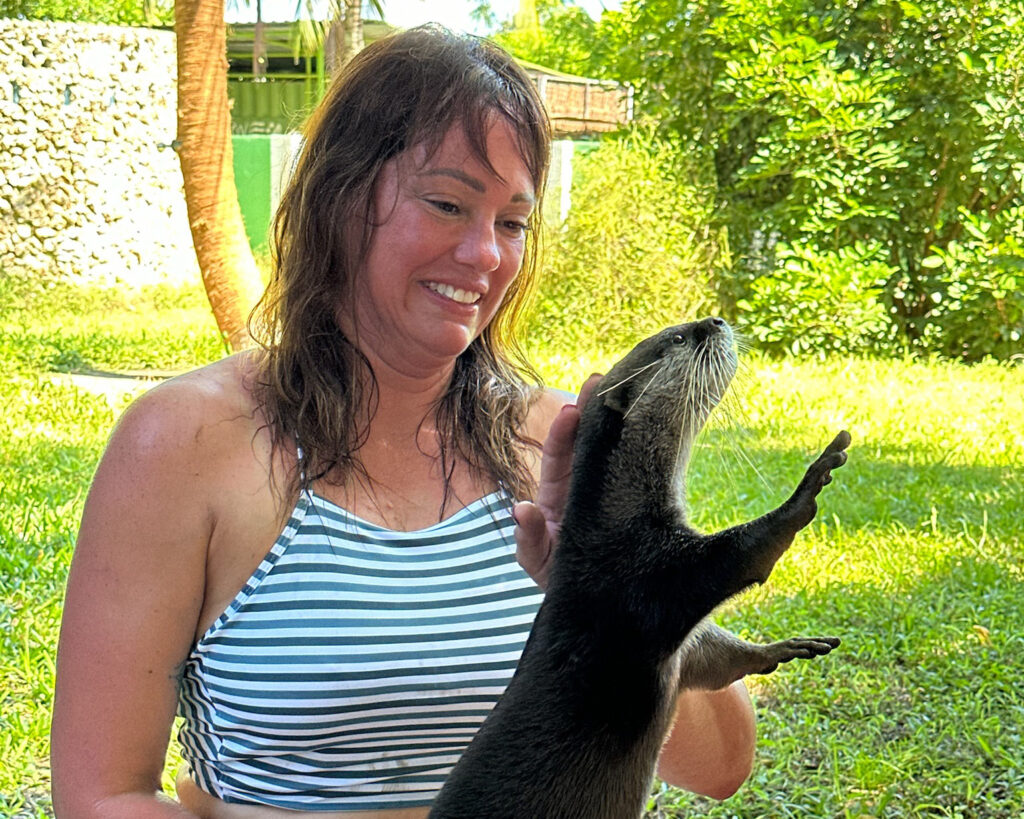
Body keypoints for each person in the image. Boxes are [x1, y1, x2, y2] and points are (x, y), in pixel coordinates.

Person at [50, 25, 756, 819]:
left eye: (512, 222)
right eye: (448, 203)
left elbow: (724, 764)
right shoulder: (180, 445)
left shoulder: (552, 445)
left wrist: (604, 584)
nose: (485, 254)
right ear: (342, 198)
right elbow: (100, 793)